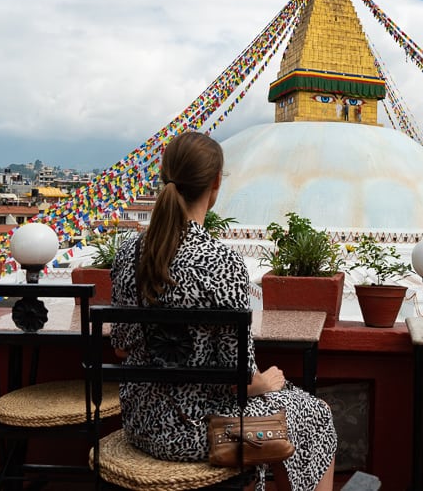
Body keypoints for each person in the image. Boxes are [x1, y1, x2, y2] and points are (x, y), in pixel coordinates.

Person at [111, 131, 337, 491]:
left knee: (287, 407)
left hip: (140, 422)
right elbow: (240, 378)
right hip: (204, 431)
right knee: (315, 413)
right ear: (216, 184)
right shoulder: (222, 262)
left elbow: (121, 346)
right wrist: (264, 382)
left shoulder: (128, 254)